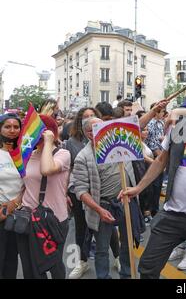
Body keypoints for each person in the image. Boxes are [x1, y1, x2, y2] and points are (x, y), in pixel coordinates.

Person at [120, 77, 186, 279]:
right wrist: (138, 188)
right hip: (172, 214)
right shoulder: (179, 127)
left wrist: (180, 110)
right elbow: (161, 162)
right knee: (148, 267)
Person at [71, 117, 136, 279]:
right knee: (101, 249)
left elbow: (136, 127)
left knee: (128, 244)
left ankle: (127, 274)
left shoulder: (119, 145)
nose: (101, 129)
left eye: (103, 126)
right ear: (88, 133)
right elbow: (80, 191)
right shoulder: (83, 157)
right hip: (103, 206)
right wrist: (99, 210)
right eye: (94, 128)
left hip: (126, 201)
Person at [17, 115, 71, 279]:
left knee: (54, 265)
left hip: (53, 219)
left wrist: (48, 142)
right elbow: (25, 184)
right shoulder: (28, 155)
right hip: (27, 217)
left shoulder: (63, 154)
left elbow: (46, 169)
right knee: (31, 267)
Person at [0, 113, 24, 279]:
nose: (12, 130)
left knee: (11, 259)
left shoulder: (26, 153)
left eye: (16, 127)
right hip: (0, 214)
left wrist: (15, 203)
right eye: (7, 126)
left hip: (21, 214)